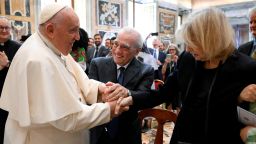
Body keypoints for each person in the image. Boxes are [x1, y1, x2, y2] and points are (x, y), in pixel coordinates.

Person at [118, 7, 256, 144]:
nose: (188, 49)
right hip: (184, 137)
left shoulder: (245, 67)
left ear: (212, 39)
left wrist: (237, 98)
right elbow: (164, 93)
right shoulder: (188, 59)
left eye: (193, 43)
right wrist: (131, 98)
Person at [0, 3, 128, 144]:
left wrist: (101, 90)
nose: (78, 37)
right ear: (50, 30)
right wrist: (109, 109)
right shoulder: (37, 60)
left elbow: (79, 81)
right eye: (73, 31)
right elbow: (67, 118)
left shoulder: (53, 46)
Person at [89, 27, 154, 144]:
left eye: (125, 47)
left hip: (128, 133)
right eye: (116, 44)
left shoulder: (146, 70)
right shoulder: (97, 64)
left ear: (137, 51)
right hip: (99, 131)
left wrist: (127, 92)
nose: (117, 51)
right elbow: (90, 97)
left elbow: (144, 96)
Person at [0, 16, 21, 144]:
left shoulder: (18, 47)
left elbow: (23, 69)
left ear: (10, 30)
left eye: (6, 27)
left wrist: (7, 64)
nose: (3, 30)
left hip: (12, 95)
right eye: (1, 27)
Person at [238, 6, 256, 143]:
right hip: (244, 115)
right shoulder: (242, 50)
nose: (253, 25)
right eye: (251, 22)